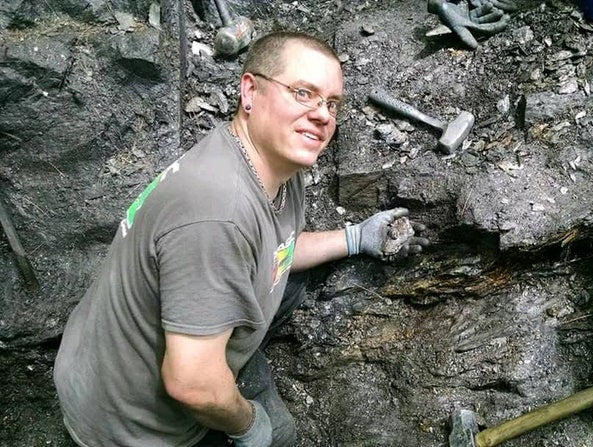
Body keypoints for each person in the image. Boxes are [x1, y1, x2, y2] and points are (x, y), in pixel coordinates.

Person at [54, 31, 428, 447]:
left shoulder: (271, 164)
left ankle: (234, 364)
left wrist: (356, 238)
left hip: (112, 355)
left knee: (291, 287)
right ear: (250, 92)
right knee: (280, 435)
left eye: (331, 103)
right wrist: (247, 424)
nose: (323, 114)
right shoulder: (218, 212)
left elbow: (273, 248)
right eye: (303, 93)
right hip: (129, 422)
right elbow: (192, 383)